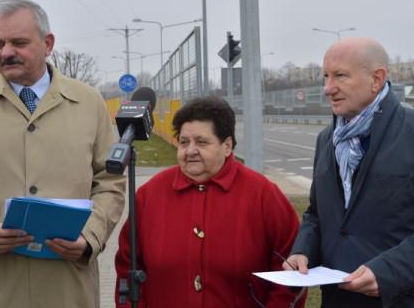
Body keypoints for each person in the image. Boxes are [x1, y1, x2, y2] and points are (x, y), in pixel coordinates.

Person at [0, 0, 125, 307]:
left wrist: (89, 238)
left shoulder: (89, 102)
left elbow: (110, 181)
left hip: (68, 287)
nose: (6, 52)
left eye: (19, 42)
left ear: (48, 43)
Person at [284, 37, 414, 307]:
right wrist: (303, 251)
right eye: (325, 76)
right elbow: (317, 214)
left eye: (340, 76)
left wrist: (388, 272)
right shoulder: (326, 139)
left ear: (377, 79)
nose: (328, 88)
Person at [114, 96, 305, 308]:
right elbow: (127, 266)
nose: (190, 150)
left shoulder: (263, 195)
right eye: (184, 142)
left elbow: (290, 272)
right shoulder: (150, 195)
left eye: (202, 142)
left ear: (227, 146)